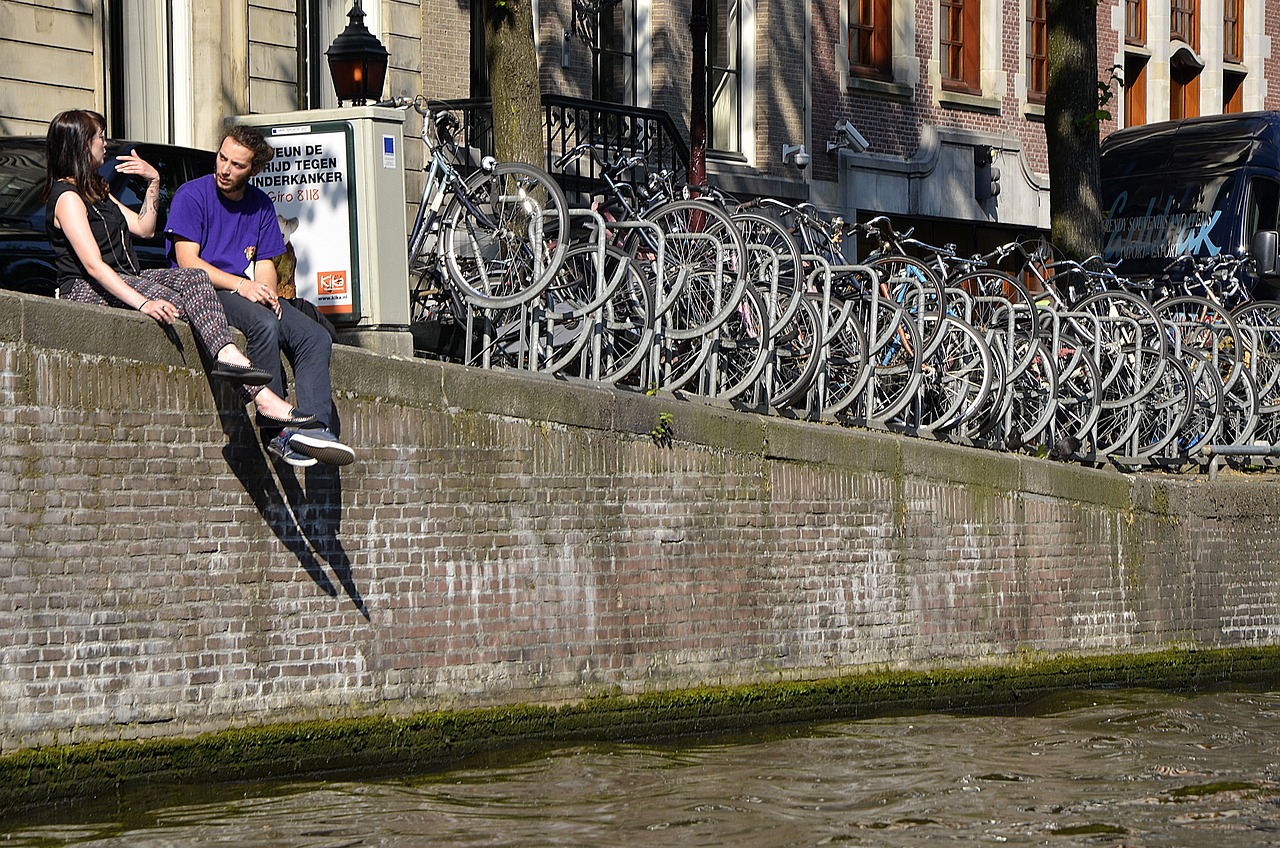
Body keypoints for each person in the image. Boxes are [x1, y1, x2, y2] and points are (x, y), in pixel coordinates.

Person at [42, 109, 310, 426]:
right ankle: (260, 394)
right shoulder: (68, 198)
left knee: (194, 277)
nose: (105, 143)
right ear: (80, 145)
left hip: (125, 276)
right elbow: (94, 266)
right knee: (180, 304)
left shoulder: (97, 190)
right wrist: (145, 302)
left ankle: (230, 360)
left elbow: (143, 228)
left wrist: (154, 181)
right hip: (87, 288)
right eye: (99, 136)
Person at [165, 125, 354, 469]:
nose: (224, 169)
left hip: (243, 289)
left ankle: (314, 430)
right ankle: (277, 433)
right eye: (222, 158)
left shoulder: (261, 205)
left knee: (315, 337)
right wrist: (243, 287)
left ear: (254, 170)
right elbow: (187, 263)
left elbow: (266, 262)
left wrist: (265, 291)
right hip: (204, 291)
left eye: (237, 165)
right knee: (264, 325)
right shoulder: (192, 196)